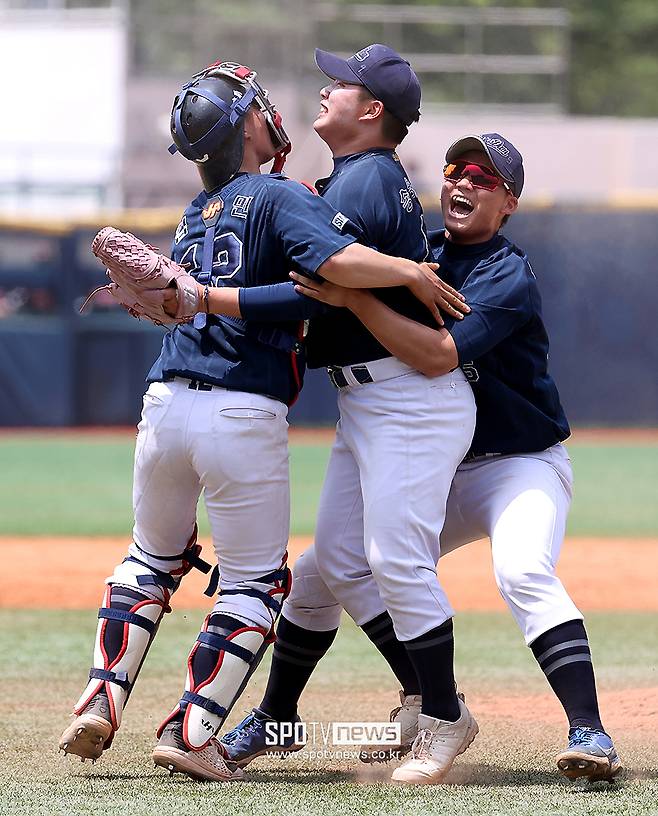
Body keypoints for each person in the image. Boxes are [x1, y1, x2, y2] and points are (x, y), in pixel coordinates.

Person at [57, 60, 462, 784]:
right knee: (254, 585)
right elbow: (332, 268)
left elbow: (201, 294)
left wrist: (201, 296)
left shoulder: (194, 212)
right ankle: (192, 729)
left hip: (162, 406)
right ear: (248, 124)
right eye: (259, 106)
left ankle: (99, 697)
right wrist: (405, 269)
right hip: (241, 406)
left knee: (147, 562)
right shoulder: (278, 194)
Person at [225, 132, 622, 784]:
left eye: (484, 179)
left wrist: (355, 296)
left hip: (518, 465)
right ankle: (280, 716)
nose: (464, 183)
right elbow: (327, 279)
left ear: (509, 204)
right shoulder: (422, 257)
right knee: (326, 567)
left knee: (522, 571)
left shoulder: (505, 273)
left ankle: (590, 732)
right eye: (457, 170)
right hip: (442, 466)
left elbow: (438, 356)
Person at [219, 45, 480, 786]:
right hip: (372, 398)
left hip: (408, 401)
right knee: (327, 562)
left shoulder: (366, 179)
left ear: (373, 111)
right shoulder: (359, 177)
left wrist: (204, 292)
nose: (327, 89)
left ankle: (442, 716)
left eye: (343, 83)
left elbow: (310, 283)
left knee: (395, 560)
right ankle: (284, 715)